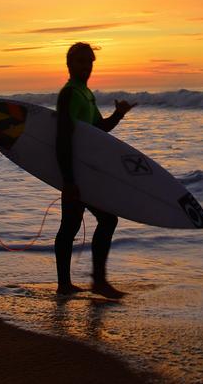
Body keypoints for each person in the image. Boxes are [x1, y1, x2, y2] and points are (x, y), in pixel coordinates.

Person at [55, 42, 136, 299]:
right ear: (69, 65)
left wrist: (119, 114)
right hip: (76, 172)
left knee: (71, 225)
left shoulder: (85, 94)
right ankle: (93, 282)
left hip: (86, 171)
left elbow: (98, 129)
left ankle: (67, 285)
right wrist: (68, 180)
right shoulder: (69, 94)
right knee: (104, 220)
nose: (86, 67)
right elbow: (62, 139)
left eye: (89, 62)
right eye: (81, 62)